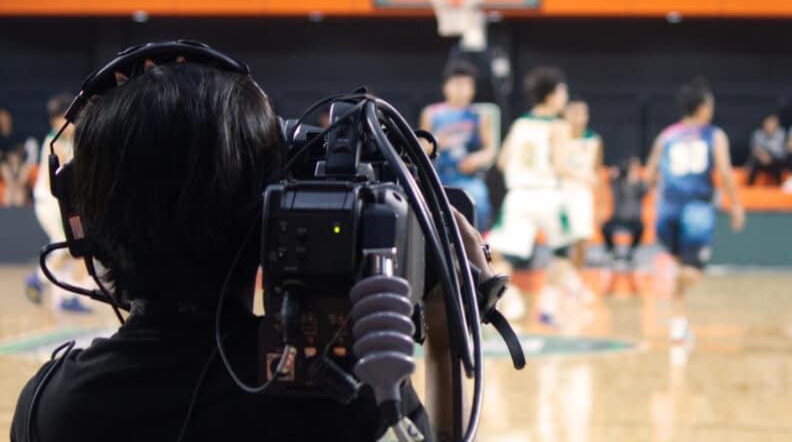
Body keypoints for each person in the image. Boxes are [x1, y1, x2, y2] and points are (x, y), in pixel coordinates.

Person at [11, 56, 491, 442]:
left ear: (85, 223)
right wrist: (444, 342)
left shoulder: (51, 408)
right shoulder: (345, 401)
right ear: (271, 215)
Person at [645, 77, 745, 345]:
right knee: (692, 272)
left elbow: (650, 174)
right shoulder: (714, 134)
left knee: (682, 265)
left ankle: (678, 326)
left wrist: (659, 195)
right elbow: (724, 172)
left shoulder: (666, 135)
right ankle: (669, 278)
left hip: (667, 210)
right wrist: (736, 205)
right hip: (695, 211)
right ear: (702, 107)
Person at [487, 67, 590, 325]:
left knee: (505, 257)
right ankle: (548, 307)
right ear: (552, 95)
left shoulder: (520, 123)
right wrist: (584, 176)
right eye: (563, 91)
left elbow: (501, 162)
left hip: (518, 196)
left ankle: (510, 298)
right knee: (562, 254)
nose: (565, 97)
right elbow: (559, 166)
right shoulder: (559, 126)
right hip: (547, 196)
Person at [25, 94, 94, 312]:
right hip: (49, 202)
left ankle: (68, 296)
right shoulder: (55, 141)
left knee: (76, 247)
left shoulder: (68, 140)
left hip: (63, 204)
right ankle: (37, 279)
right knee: (66, 244)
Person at [420, 60, 498, 230]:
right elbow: (421, 148)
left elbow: (490, 149)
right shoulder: (432, 113)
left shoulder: (479, 115)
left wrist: (476, 159)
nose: (462, 89)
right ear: (446, 87)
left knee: (479, 201)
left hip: (466, 177)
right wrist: (437, 142)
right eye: (457, 84)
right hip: (438, 175)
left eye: (467, 85)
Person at [563, 100, 603, 270]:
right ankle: (562, 280)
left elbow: (597, 172)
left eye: (583, 114)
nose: (580, 118)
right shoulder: (559, 138)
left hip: (582, 193)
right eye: (575, 113)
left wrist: (600, 203)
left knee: (582, 239)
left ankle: (576, 276)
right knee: (563, 241)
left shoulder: (593, 140)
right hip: (561, 190)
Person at [601, 157, 648, 261]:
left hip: (633, 219)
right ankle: (612, 251)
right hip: (618, 217)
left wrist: (636, 181)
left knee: (640, 227)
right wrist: (614, 175)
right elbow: (610, 180)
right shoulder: (619, 182)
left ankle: (631, 252)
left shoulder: (639, 183)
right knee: (604, 227)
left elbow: (645, 191)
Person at [0, 109, 31, 207]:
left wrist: (16, 156)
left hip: (19, 164)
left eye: (5, 118)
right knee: (9, 190)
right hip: (5, 164)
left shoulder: (17, 134)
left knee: (19, 191)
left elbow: (22, 149)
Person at [746, 113, 786, 186]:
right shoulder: (757, 134)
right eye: (768, 123)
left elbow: (782, 152)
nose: (769, 125)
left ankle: (780, 186)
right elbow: (755, 149)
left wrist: (770, 158)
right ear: (763, 123)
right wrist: (763, 156)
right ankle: (749, 187)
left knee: (778, 163)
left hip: (775, 160)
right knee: (755, 162)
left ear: (777, 124)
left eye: (772, 123)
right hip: (761, 159)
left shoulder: (781, 133)